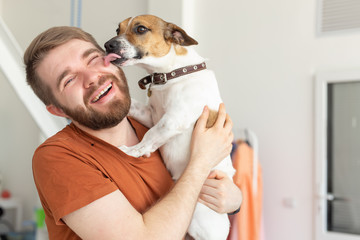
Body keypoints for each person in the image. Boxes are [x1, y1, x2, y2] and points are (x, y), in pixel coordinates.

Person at [24, 26, 242, 240]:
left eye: (93, 59)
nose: (91, 77)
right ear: (58, 110)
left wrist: (233, 201)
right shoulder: (59, 158)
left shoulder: (158, 126)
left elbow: (220, 190)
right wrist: (200, 163)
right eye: (69, 80)